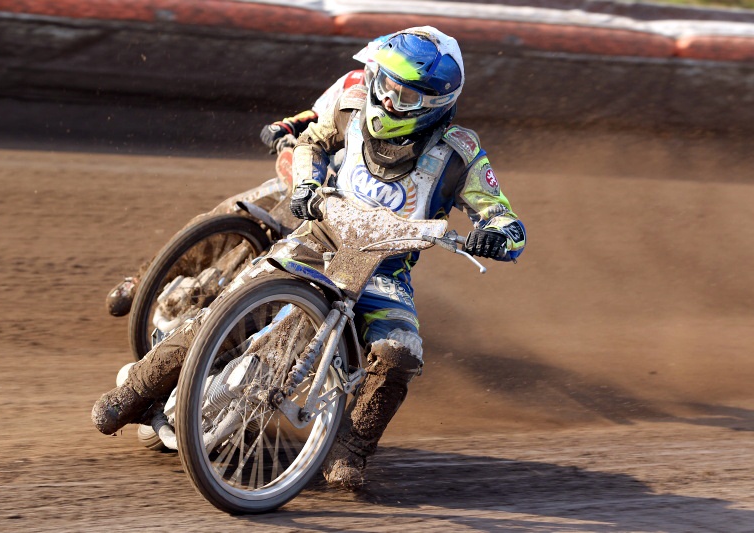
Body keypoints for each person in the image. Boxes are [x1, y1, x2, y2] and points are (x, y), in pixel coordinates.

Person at [92, 27, 526, 492]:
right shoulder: (351, 106)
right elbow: (312, 142)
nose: (387, 99)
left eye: (404, 96)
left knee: (400, 350)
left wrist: (498, 236)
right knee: (232, 302)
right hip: (315, 238)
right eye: (385, 84)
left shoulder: (461, 154)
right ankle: (133, 392)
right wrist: (306, 183)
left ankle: (349, 450)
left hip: (384, 272)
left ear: (435, 104)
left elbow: (506, 219)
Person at [104, 68, 366, 318]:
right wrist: (284, 128)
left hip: (345, 207)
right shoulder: (355, 80)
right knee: (228, 213)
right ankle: (142, 282)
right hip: (305, 179)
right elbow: (316, 116)